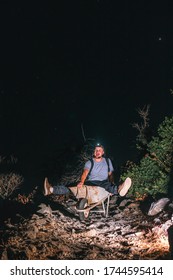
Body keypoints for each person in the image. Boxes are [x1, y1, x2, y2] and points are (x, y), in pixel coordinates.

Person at [44, 143, 132, 197]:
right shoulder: (89, 162)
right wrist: (81, 182)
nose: (98, 152)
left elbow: (110, 174)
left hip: (103, 182)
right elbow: (85, 172)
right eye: (96, 150)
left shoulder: (108, 161)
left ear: (103, 152)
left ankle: (119, 189)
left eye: (100, 150)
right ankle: (51, 190)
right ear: (94, 152)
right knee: (72, 187)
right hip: (91, 182)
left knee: (109, 186)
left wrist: (112, 183)